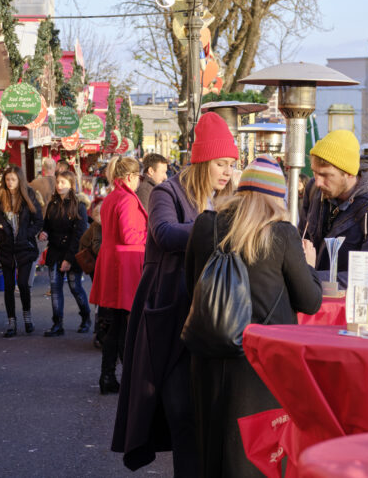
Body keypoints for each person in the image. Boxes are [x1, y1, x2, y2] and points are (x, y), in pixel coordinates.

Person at [112, 112, 238, 476]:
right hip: (168, 315)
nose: (227, 172)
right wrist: (219, 227)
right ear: (202, 162)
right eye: (221, 163)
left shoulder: (226, 198)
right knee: (181, 413)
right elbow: (165, 233)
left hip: (211, 316)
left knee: (205, 419)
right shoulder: (167, 192)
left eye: (231, 164)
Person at [185, 155, 322, 477]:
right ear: (277, 198)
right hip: (261, 363)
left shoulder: (206, 224)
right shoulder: (282, 234)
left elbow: (190, 286)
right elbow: (310, 301)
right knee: (255, 456)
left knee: (211, 450)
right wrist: (311, 264)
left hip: (208, 356)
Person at [303, 130, 368, 288]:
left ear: (349, 173)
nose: (318, 182)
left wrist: (307, 277)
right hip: (317, 300)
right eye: (314, 173)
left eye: (325, 175)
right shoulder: (316, 191)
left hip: (361, 307)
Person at [89, 156, 147, 395]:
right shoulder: (127, 199)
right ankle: (123, 377)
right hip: (126, 266)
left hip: (112, 264)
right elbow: (130, 236)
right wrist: (150, 235)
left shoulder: (112, 197)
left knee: (115, 325)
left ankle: (108, 375)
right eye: (139, 178)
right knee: (125, 325)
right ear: (131, 177)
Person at [0, 165, 43, 337]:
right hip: (6, 249)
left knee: (24, 284)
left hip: (25, 247)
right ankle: (12, 321)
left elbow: (38, 220)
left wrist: (27, 234)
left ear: (19, 179)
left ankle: (27, 316)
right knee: (9, 286)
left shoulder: (28, 195)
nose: (10, 183)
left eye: (13, 179)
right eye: (7, 179)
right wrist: (2, 235)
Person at [38, 171, 91, 336]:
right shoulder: (53, 204)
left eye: (63, 182)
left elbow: (79, 235)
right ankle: (57, 324)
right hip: (55, 250)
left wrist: (69, 259)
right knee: (55, 287)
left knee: (75, 286)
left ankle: (86, 318)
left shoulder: (79, 206)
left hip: (73, 252)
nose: (59, 185)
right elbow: (46, 224)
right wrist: (44, 232)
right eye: (58, 182)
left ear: (71, 185)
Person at [28, 157, 57, 287]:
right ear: (55, 168)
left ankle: (28, 283)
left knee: (34, 255)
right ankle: (55, 286)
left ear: (43, 168)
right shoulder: (61, 182)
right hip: (57, 223)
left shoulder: (35, 183)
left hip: (41, 223)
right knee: (56, 256)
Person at [79, 202, 103, 347]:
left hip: (94, 261)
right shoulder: (97, 226)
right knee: (100, 298)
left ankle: (99, 330)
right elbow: (96, 247)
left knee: (100, 298)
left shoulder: (98, 224)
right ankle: (98, 331)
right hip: (93, 263)